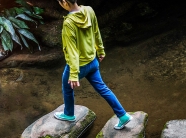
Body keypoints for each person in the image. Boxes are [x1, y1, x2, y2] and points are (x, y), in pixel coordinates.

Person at [54, 0, 131, 130]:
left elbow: (72, 50)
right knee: (103, 89)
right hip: (93, 61)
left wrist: (73, 74)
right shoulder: (89, 10)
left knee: (67, 89)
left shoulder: (69, 22)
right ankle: (123, 115)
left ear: (65, 3)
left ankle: (68, 114)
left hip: (78, 66)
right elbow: (96, 32)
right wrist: (100, 50)